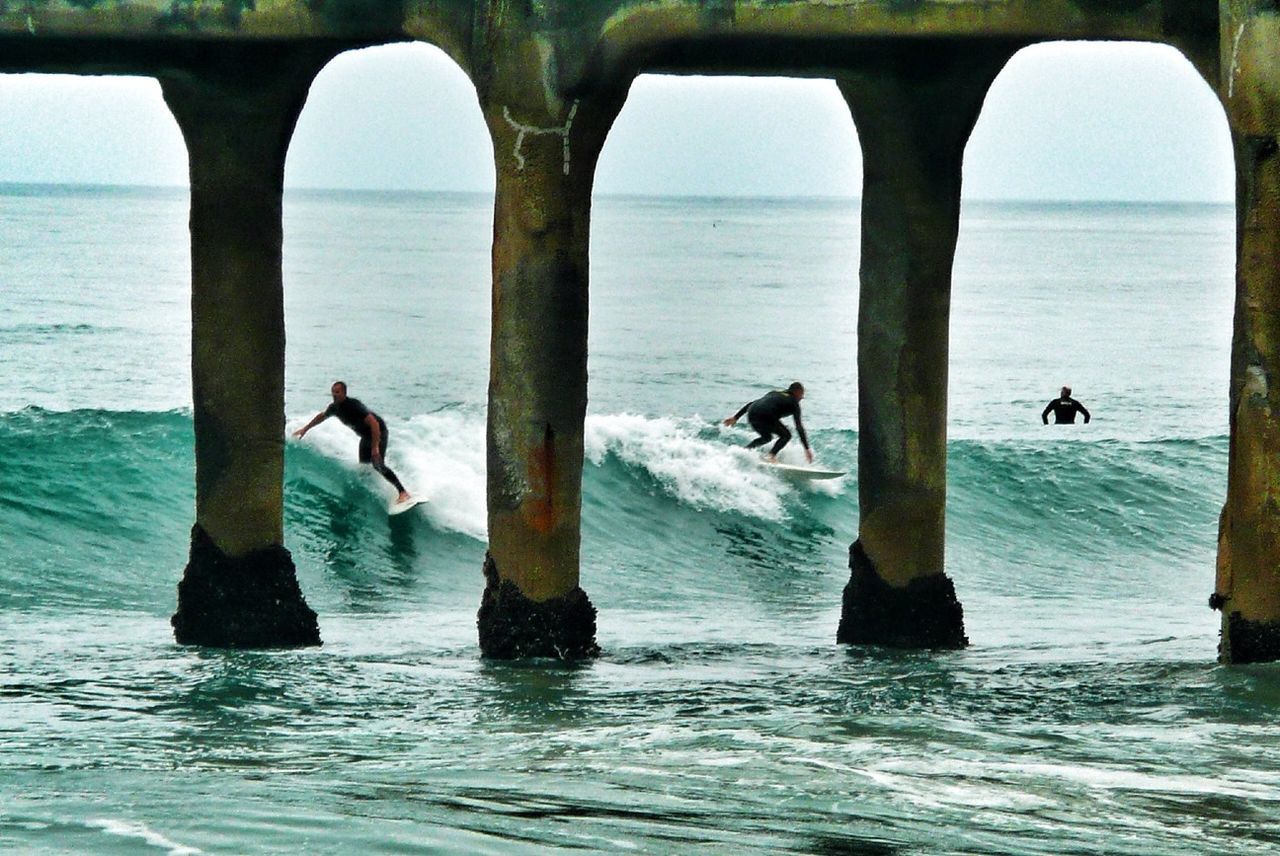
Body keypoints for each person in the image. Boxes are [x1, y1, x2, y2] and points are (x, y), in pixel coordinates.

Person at [293, 381, 412, 504]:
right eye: (333, 392)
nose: (334, 394)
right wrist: (305, 429)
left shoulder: (354, 405)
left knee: (377, 463)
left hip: (378, 432)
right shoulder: (334, 408)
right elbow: (321, 416)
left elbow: (374, 423)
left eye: (337, 392)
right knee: (364, 467)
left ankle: (403, 492)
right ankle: (374, 492)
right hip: (365, 436)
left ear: (344, 393)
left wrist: (375, 447)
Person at [723, 381, 814, 463]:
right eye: (802, 394)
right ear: (797, 392)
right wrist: (806, 448)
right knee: (786, 435)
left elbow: (751, 404)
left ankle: (745, 451)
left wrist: (735, 418)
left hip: (752, 414)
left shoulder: (774, 393)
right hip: (766, 415)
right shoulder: (794, 402)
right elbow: (799, 426)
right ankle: (771, 456)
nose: (802, 397)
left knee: (767, 437)